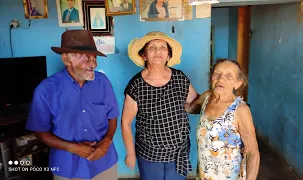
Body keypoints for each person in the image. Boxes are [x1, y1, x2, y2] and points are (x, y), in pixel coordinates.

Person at [25, 30, 119, 180]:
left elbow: (112, 116)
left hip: (103, 161)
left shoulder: (102, 82)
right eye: (87, 58)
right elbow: (40, 132)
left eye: (94, 58)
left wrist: (106, 142)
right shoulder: (46, 89)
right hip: (67, 166)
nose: (93, 64)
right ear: (67, 60)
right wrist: (73, 148)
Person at [122, 31, 199, 180]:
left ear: (169, 55)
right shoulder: (136, 85)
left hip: (179, 151)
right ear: (144, 55)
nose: (158, 51)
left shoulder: (180, 78)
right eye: (152, 47)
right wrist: (131, 154)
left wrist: (217, 100)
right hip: (149, 153)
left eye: (163, 47)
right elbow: (126, 123)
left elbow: (196, 103)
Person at [186, 59, 260, 180]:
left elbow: (253, 152)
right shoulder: (207, 97)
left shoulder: (240, 109)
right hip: (205, 175)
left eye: (229, 76)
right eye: (217, 74)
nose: (221, 79)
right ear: (211, 78)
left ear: (238, 83)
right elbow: (190, 108)